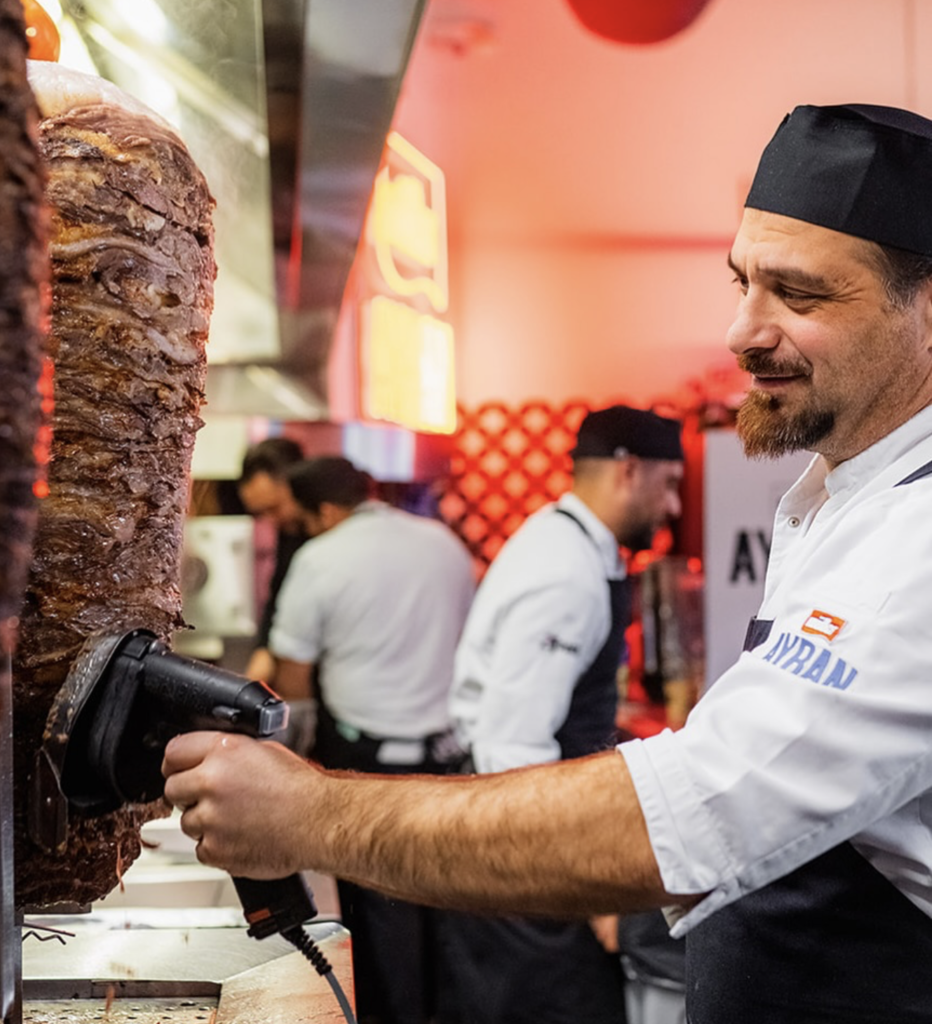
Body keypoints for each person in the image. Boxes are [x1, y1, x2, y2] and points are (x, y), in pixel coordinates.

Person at [164, 103, 932, 1023]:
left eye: (798, 296)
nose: (741, 332)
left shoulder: (917, 537)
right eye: (742, 283)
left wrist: (309, 816)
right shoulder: (835, 494)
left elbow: (698, 810)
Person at [441, 405, 683, 1024]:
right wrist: (585, 883)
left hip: (527, 833)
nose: (674, 507)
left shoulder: (576, 544)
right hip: (519, 848)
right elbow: (511, 746)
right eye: (670, 484)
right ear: (629, 472)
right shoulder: (565, 573)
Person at [267, 455, 476, 1024]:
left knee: (379, 918)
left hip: (364, 761)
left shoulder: (319, 558)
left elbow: (293, 672)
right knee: (447, 906)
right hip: (449, 758)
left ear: (328, 510)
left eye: (307, 520)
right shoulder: (444, 542)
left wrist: (290, 747)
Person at [236, 436, 305, 684]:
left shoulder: (329, 539)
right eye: (260, 513)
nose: (270, 521)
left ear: (296, 485)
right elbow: (278, 592)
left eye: (273, 508)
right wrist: (263, 648)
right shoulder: (288, 531)